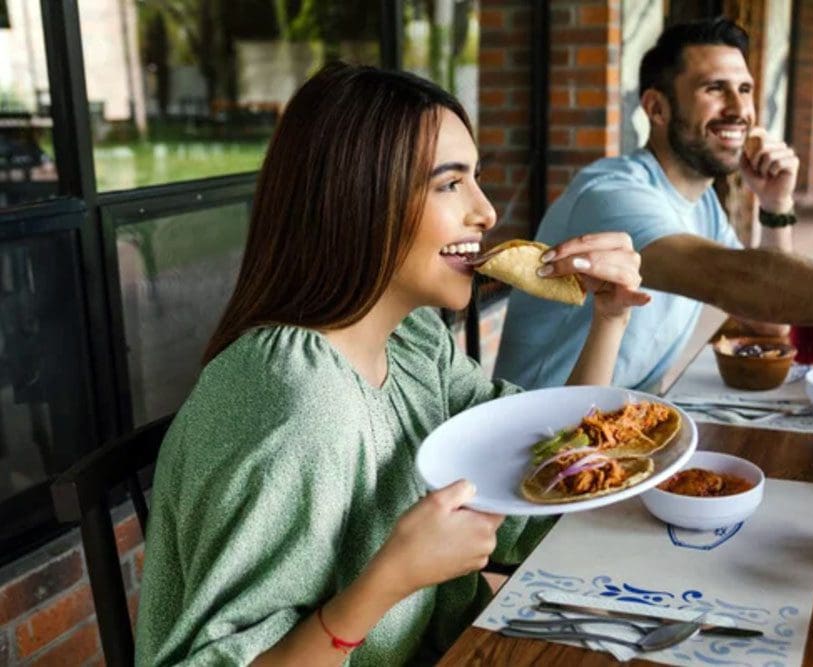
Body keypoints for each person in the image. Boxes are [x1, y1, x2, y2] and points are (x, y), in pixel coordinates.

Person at [134, 63, 648, 666]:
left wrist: (609, 319)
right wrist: (390, 579)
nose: (485, 211)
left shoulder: (412, 343)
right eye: (449, 184)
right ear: (359, 198)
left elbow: (533, 485)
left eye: (474, 178)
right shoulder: (295, 406)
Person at [493, 17, 813, 393]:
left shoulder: (703, 203)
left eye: (745, 89)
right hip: (537, 448)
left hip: (610, 433)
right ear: (656, 108)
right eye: (715, 89)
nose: (739, 109)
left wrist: (776, 208)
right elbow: (736, 281)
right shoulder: (612, 194)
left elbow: (769, 323)